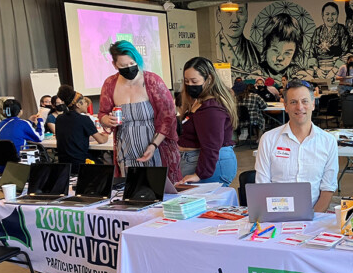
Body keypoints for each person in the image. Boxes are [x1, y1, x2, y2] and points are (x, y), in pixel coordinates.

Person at [99, 40, 182, 184]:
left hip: (155, 147)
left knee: (158, 187)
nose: (129, 68)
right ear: (114, 65)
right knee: (131, 187)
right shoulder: (110, 84)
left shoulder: (152, 81)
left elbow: (168, 118)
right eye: (123, 66)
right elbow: (102, 113)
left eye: (132, 63)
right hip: (126, 150)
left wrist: (153, 146)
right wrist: (106, 120)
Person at [255, 79, 338, 212]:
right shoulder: (268, 139)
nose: (299, 107)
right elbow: (262, 186)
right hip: (276, 215)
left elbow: (328, 188)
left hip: (314, 215)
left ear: (313, 104)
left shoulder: (328, 141)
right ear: (286, 106)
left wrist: (311, 218)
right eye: (293, 102)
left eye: (305, 101)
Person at [176, 57, 238, 185]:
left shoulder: (211, 108)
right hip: (199, 162)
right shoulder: (199, 101)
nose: (189, 85)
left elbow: (211, 145)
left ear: (209, 79)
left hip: (210, 166)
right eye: (186, 81)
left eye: (194, 81)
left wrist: (200, 174)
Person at [55, 85, 109, 172]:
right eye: (84, 102)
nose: (87, 104)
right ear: (78, 105)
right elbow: (101, 140)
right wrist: (106, 134)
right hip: (81, 163)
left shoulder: (59, 118)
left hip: (64, 164)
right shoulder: (84, 119)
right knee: (106, 164)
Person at [256, 13, 306, 82]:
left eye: (287, 53)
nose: (280, 58)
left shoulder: (295, 71)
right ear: (266, 48)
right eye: (275, 50)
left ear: (294, 53)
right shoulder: (259, 69)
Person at [0, 98, 43, 171]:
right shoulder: (23, 123)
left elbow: (15, 131)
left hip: (2, 165)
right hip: (20, 165)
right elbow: (40, 138)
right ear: (20, 111)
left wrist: (29, 121)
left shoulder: (0, 124)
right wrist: (40, 121)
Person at [215, 3, 260, 78]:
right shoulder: (212, 48)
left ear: (247, 16)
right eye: (228, 13)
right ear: (218, 15)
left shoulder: (257, 50)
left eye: (240, 12)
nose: (235, 19)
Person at [310, 2, 350, 79]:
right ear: (323, 16)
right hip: (319, 72)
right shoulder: (317, 31)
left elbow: (346, 53)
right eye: (327, 14)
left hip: (337, 70)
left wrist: (334, 70)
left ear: (337, 15)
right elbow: (311, 53)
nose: (330, 17)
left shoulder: (342, 30)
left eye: (333, 14)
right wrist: (317, 70)